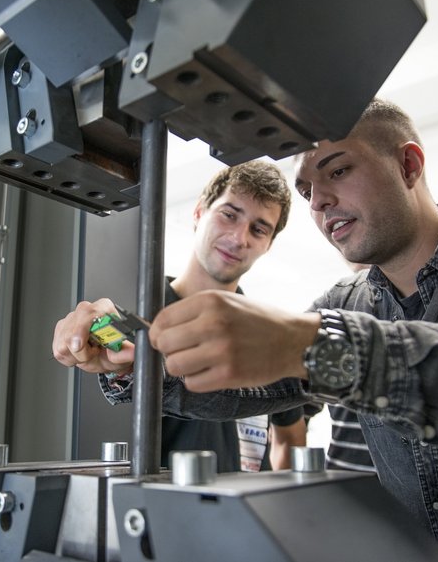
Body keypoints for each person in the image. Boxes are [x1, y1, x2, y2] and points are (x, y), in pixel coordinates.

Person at [138, 99, 438, 562]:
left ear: (408, 165)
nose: (318, 201)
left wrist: (309, 345)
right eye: (306, 191)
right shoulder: (344, 302)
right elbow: (248, 389)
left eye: (337, 171)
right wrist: (134, 360)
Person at [52, 160, 306, 472]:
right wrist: (93, 328)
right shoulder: (142, 316)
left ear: (267, 245)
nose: (240, 238)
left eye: (258, 229)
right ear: (199, 212)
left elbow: (289, 438)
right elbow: (117, 341)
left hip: (245, 515)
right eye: (229, 215)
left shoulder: (267, 334)